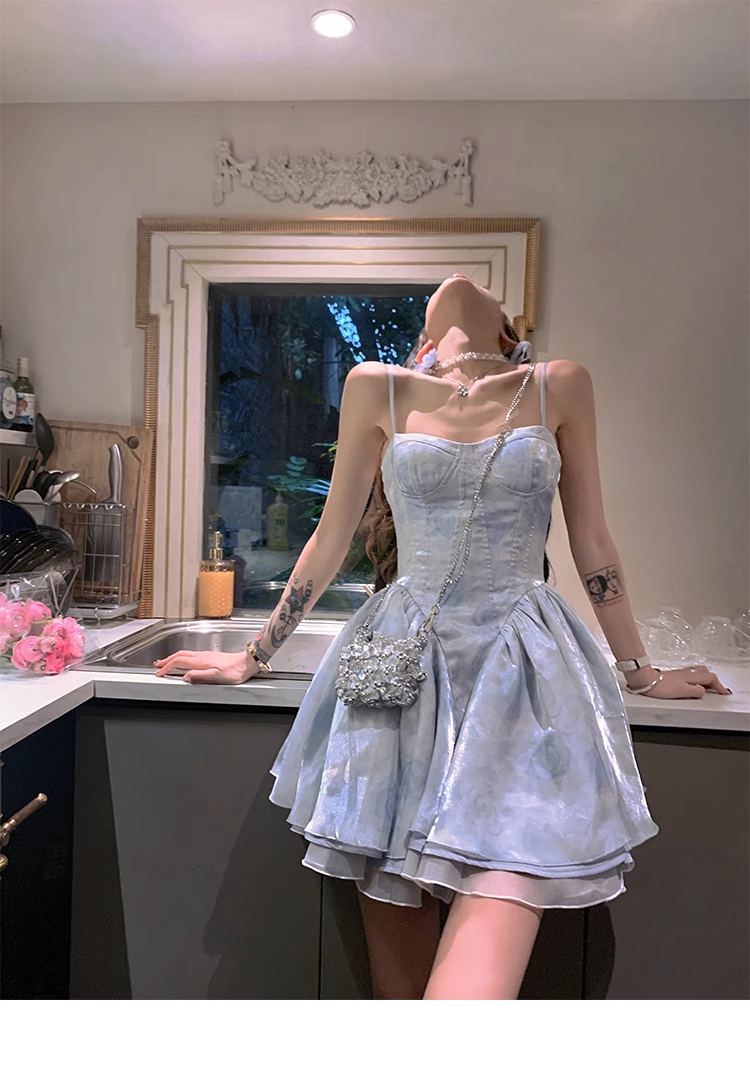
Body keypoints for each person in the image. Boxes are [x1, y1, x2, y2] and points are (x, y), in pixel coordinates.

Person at [154, 274, 732, 1000]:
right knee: (399, 992)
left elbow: (592, 540)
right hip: (399, 680)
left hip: (522, 678)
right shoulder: (377, 387)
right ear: (422, 343)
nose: (460, 281)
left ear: (511, 335)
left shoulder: (556, 384)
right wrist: (253, 655)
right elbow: (330, 539)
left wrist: (640, 670)